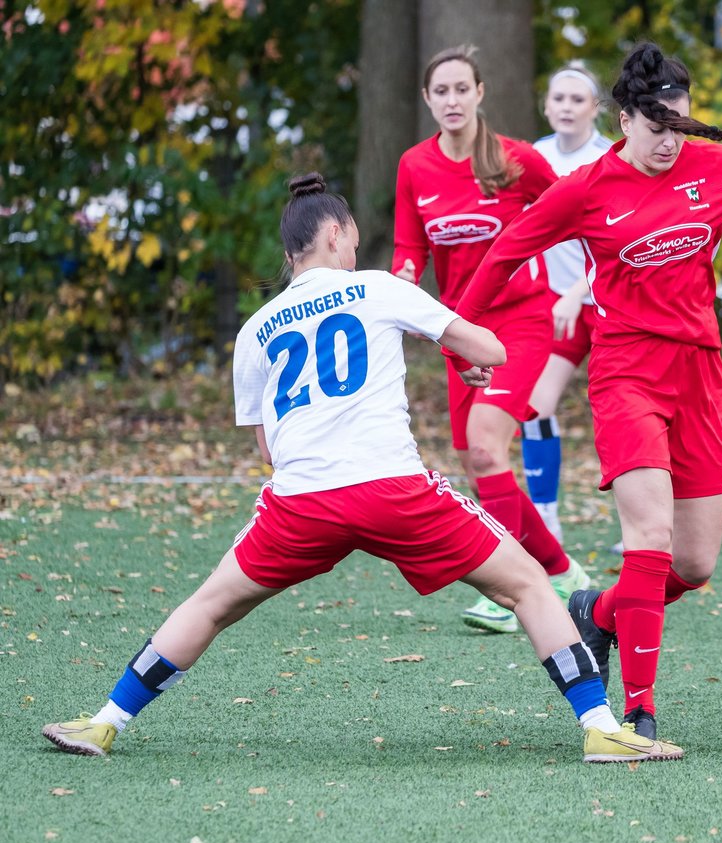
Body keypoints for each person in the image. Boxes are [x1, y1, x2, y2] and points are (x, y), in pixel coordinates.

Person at [41, 173, 682, 763]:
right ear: (333, 234)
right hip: (393, 492)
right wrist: (461, 357)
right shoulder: (376, 285)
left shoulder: (255, 330)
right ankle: (600, 727)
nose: (354, 246)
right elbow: (490, 348)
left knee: (210, 604)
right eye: (350, 236)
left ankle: (104, 721)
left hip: (299, 504)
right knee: (528, 585)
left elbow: (267, 450)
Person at [451, 42, 722, 745]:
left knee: (693, 564)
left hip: (700, 377)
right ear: (624, 120)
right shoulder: (587, 187)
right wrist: (461, 334)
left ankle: (598, 614)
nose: (668, 141)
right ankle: (639, 712)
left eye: (679, 125)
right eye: (656, 127)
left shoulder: (709, 165)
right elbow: (507, 250)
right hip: (624, 372)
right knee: (647, 536)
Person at [392, 44, 589, 634]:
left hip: (523, 321)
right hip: (459, 330)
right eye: (441, 91)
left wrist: (583, 285)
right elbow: (411, 247)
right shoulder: (414, 165)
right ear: (428, 100)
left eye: (462, 89)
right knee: (479, 463)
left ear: (480, 94)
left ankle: (513, 582)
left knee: (484, 445)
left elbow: (581, 210)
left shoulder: (517, 160)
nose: (452, 100)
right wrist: (402, 280)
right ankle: (562, 571)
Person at [521, 62, 613, 543]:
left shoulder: (611, 158)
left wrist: (579, 291)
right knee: (534, 408)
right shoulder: (534, 157)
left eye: (578, 99)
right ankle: (547, 520)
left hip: (611, 303)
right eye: (559, 98)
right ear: (546, 105)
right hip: (558, 307)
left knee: (622, 414)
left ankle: (645, 524)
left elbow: (622, 242)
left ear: (596, 108)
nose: (567, 107)